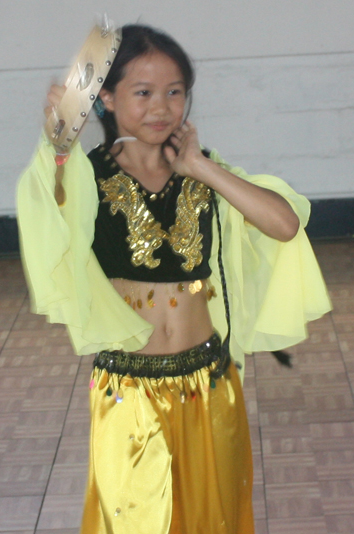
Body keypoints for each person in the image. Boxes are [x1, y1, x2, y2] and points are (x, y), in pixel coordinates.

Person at [17, 23, 331, 534]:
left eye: (174, 92)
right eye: (142, 93)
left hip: (210, 383)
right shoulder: (89, 176)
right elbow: (47, 202)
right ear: (108, 100)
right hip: (129, 391)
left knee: (217, 521)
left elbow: (284, 224)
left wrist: (201, 169)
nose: (161, 106)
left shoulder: (207, 172)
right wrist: (56, 144)